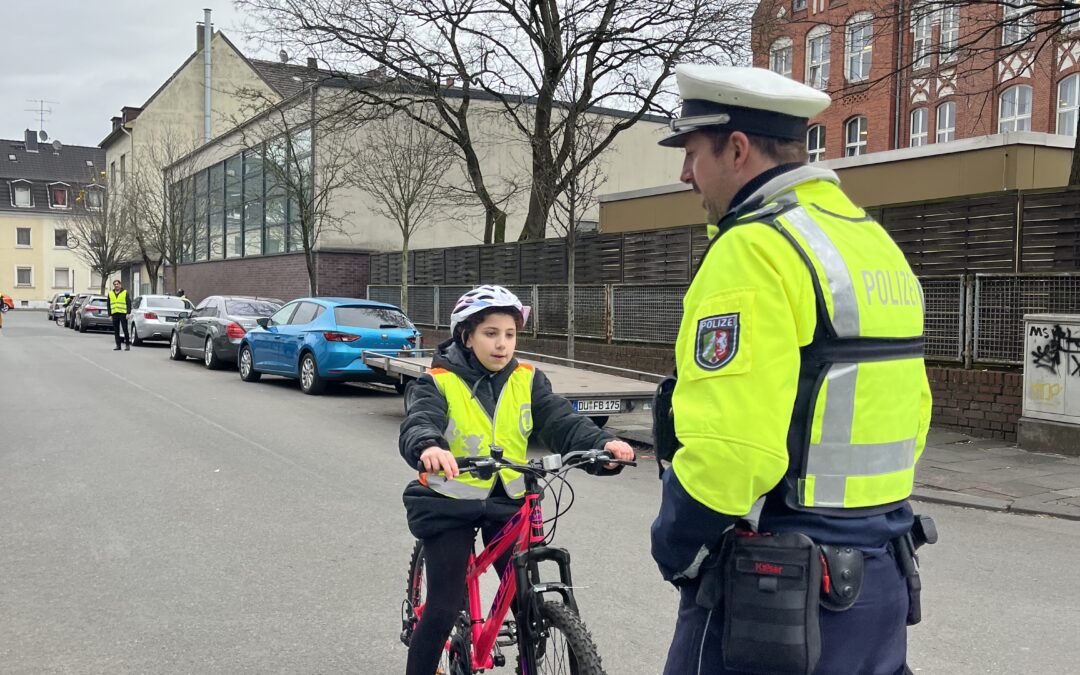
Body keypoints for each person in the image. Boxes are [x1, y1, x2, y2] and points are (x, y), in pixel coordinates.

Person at [650, 65, 932, 674]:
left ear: (739, 148)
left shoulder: (754, 248)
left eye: (692, 152)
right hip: (880, 574)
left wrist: (675, 542)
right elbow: (914, 412)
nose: (684, 173)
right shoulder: (871, 241)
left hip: (777, 592)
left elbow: (733, 452)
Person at [399, 285, 635, 675]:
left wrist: (603, 444)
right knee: (442, 606)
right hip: (448, 502)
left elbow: (561, 421)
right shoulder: (438, 381)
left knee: (526, 602)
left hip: (507, 499)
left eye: (509, 334)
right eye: (490, 333)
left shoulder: (527, 379)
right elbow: (421, 419)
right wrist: (428, 445)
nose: (502, 344)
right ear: (467, 336)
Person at [107, 279, 132, 351]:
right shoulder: (110, 293)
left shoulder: (125, 292)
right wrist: (110, 315)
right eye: (115, 284)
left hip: (123, 314)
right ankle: (118, 345)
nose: (116, 285)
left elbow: (128, 303)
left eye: (117, 284)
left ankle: (127, 345)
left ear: (120, 285)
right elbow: (108, 305)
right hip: (114, 314)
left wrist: (128, 313)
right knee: (116, 330)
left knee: (125, 330)